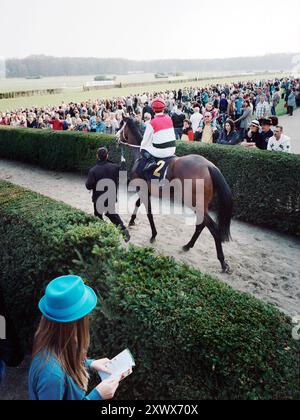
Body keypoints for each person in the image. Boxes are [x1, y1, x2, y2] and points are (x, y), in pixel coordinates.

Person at [28, 275, 121, 400]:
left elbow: (64, 362)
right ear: (75, 324)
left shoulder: (51, 346)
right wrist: (96, 396)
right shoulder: (52, 376)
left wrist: (90, 364)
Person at [86, 148, 130, 242]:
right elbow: (124, 176)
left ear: (97, 156)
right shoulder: (114, 167)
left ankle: (102, 235)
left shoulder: (93, 170)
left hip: (98, 198)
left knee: (98, 216)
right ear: (107, 156)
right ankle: (123, 229)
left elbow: (88, 186)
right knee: (111, 214)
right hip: (110, 197)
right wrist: (123, 165)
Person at [140, 98, 176, 173]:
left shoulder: (151, 123)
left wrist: (143, 146)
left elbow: (145, 141)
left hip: (161, 152)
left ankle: (151, 162)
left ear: (153, 110)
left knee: (143, 148)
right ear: (164, 109)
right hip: (173, 150)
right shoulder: (169, 118)